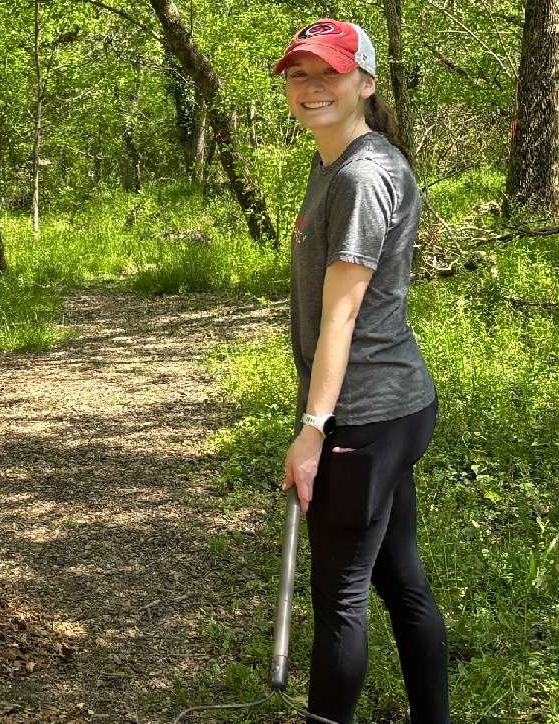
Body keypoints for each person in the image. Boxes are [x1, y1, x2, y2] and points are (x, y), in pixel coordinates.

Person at [273, 19, 449, 723]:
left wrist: (314, 429)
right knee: (398, 575)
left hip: (367, 415)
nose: (312, 88)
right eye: (299, 75)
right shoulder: (332, 162)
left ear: (365, 83)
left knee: (340, 594)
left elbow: (340, 317)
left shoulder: (363, 175)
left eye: (330, 73)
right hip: (389, 404)